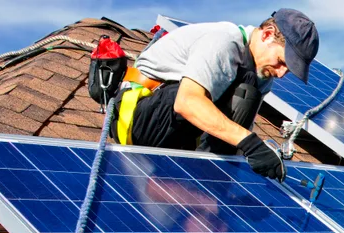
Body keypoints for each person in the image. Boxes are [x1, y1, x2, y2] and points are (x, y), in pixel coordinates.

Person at [110, 9, 319, 181]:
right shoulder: (225, 41)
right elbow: (187, 102)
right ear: (266, 34)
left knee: (248, 91)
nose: (282, 73)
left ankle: (209, 183)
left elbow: (240, 130)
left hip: (174, 129)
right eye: (282, 62)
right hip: (139, 116)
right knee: (242, 92)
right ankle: (204, 180)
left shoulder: (260, 75)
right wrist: (251, 144)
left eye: (288, 70)